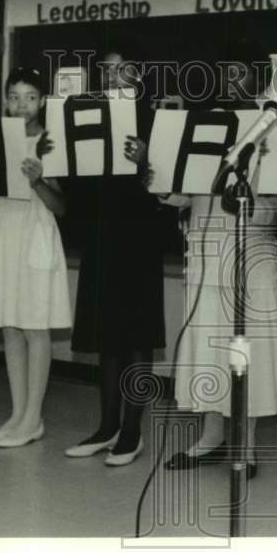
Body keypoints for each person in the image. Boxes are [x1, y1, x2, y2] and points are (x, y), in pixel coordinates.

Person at [158, 41, 277, 479]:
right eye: (226, 73)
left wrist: (255, 205)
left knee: (243, 350)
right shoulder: (201, 126)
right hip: (205, 250)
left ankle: (246, 446)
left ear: (255, 78)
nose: (232, 81)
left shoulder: (273, 129)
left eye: (240, 73)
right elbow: (181, 194)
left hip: (251, 256)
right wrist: (154, 178)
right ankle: (210, 437)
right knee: (207, 349)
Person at [64, 35, 166, 467]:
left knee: (137, 336)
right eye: (104, 70)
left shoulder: (155, 119)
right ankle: (107, 426)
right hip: (102, 236)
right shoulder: (89, 116)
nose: (109, 76)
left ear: (136, 74)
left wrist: (146, 160)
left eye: (118, 69)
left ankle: (132, 431)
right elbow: (78, 187)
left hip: (139, 238)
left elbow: (166, 186)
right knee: (108, 334)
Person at [0, 67, 71, 448]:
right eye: (14, 96)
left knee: (35, 327)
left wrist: (38, 181)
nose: (21, 104)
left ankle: (34, 417)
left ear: (43, 101)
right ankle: (17, 415)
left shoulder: (53, 143)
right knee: (10, 328)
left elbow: (62, 208)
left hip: (35, 235)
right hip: (3, 235)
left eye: (30, 96)